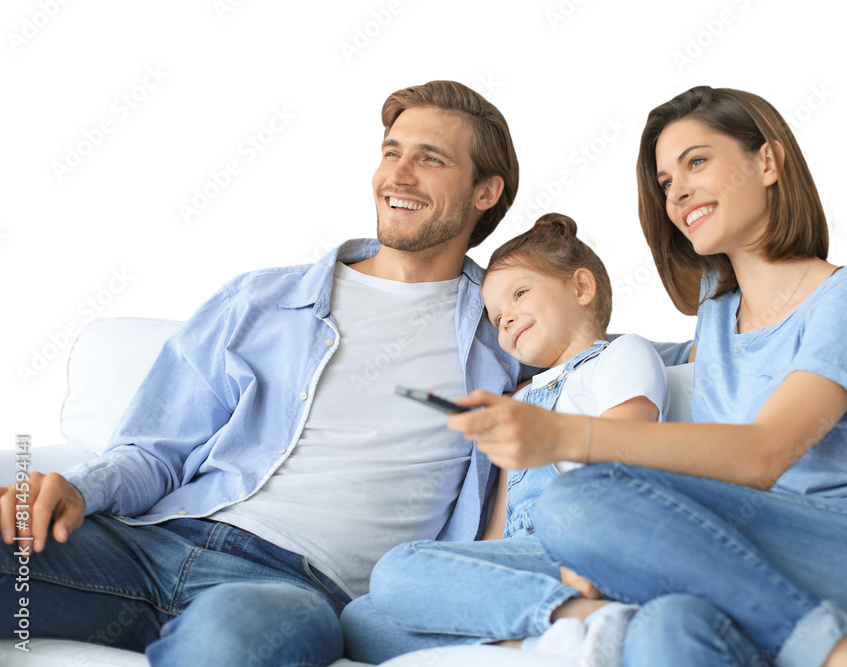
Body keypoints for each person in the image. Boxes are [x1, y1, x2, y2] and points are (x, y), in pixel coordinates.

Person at [0, 80, 524, 666]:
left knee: (231, 644)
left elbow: (609, 371)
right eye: (391, 152)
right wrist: (78, 487)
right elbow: (155, 453)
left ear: (486, 191)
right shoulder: (262, 300)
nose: (398, 176)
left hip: (288, 590)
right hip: (148, 543)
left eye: (430, 159)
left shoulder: (506, 331)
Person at [446, 86, 847, 667]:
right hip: (740, 568)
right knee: (667, 627)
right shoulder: (715, 321)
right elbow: (596, 352)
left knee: (578, 501)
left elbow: (763, 454)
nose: (678, 190)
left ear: (768, 161)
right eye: (664, 182)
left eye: (697, 161)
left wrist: (562, 437)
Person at [341, 212, 669, 665]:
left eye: (519, 294)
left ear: (581, 288)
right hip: (525, 555)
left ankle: (592, 616)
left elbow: (628, 452)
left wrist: (591, 552)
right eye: (496, 317)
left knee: (400, 568)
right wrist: (460, 574)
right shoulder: (519, 401)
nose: (507, 318)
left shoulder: (620, 354)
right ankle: (550, 641)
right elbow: (499, 528)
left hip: (583, 547)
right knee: (361, 620)